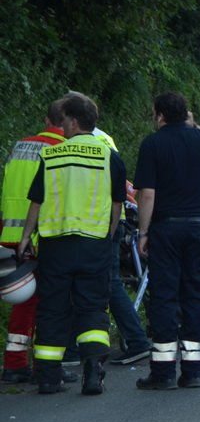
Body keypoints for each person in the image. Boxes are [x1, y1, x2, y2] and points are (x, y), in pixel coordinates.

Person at [17, 94, 126, 394]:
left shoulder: (52, 157)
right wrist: (108, 235)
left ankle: (49, 378)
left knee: (53, 309)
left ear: (74, 121)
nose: (61, 126)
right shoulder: (109, 157)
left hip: (56, 245)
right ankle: (93, 372)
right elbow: (116, 205)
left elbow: (36, 203)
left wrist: (26, 238)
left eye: (64, 120)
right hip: (94, 244)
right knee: (92, 307)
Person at [134, 92, 200, 390]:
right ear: (187, 114)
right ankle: (193, 370)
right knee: (195, 294)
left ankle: (163, 371)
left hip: (165, 229)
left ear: (159, 115)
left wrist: (143, 233)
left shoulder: (153, 144)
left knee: (164, 297)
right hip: (198, 228)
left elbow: (147, 194)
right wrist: (192, 125)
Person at [60, 91, 153, 366]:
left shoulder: (88, 142)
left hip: (99, 224)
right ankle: (82, 348)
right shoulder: (104, 138)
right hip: (104, 222)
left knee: (107, 283)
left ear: (75, 120)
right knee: (101, 284)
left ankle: (134, 340)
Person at [0, 100, 79, 385]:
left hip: (10, 233)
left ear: (46, 119)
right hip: (41, 237)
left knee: (23, 303)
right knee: (48, 305)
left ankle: (15, 363)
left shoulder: (20, 146)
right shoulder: (62, 149)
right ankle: (44, 367)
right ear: (70, 121)